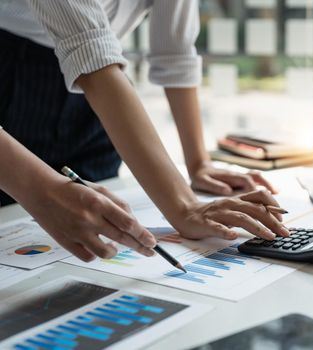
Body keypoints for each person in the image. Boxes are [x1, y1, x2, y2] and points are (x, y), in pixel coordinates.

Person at [0, 1, 289, 262]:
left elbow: (175, 54)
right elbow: (91, 56)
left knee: (92, 237)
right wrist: (185, 207)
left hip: (101, 95)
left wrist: (198, 162)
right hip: (16, 77)